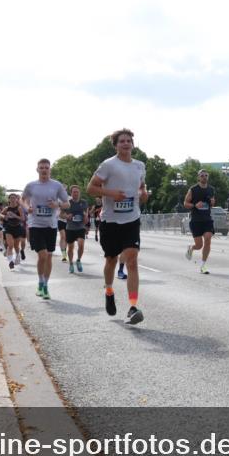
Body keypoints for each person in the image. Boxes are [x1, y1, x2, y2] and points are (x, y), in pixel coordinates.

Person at [87, 128, 148, 324]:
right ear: (115, 145)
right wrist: (113, 194)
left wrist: (144, 194)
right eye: (121, 141)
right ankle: (109, 290)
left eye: (128, 140)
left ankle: (132, 307)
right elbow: (91, 188)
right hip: (110, 221)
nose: (125, 143)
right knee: (111, 260)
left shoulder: (140, 166)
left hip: (131, 219)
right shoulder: (108, 165)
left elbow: (141, 188)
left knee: (131, 261)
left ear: (133, 144)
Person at [23, 160, 70, 300]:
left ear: (50, 170)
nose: (44, 170)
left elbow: (67, 203)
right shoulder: (31, 185)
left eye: (46, 168)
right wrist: (27, 208)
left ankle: (45, 285)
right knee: (42, 255)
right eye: (41, 168)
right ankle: (40, 281)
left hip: (51, 225)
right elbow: (23, 199)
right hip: (36, 224)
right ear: (37, 169)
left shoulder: (57, 185)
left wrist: (57, 204)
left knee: (49, 256)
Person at [183, 169, 215, 274]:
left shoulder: (211, 189)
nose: (204, 177)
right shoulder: (193, 189)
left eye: (206, 175)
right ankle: (191, 248)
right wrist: (194, 205)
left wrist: (212, 202)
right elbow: (185, 203)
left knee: (208, 238)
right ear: (198, 177)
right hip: (196, 220)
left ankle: (203, 265)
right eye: (202, 175)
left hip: (207, 219)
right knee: (199, 245)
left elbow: (212, 203)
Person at [65, 185, 89, 274]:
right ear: (71, 193)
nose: (76, 193)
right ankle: (71, 264)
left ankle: (78, 260)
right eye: (74, 192)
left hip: (80, 227)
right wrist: (67, 216)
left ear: (79, 193)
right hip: (70, 228)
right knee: (70, 248)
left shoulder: (84, 202)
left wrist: (86, 218)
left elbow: (86, 214)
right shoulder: (68, 202)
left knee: (81, 244)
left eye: (77, 192)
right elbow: (61, 214)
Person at [1, 193, 26, 269]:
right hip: (9, 228)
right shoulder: (6, 208)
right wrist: (4, 216)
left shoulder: (19, 208)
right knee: (10, 245)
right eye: (11, 198)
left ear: (16, 199)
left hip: (17, 228)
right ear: (9, 199)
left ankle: (18, 255)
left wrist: (14, 215)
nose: (12, 199)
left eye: (14, 198)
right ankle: (10, 261)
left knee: (16, 246)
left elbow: (23, 219)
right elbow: (1, 215)